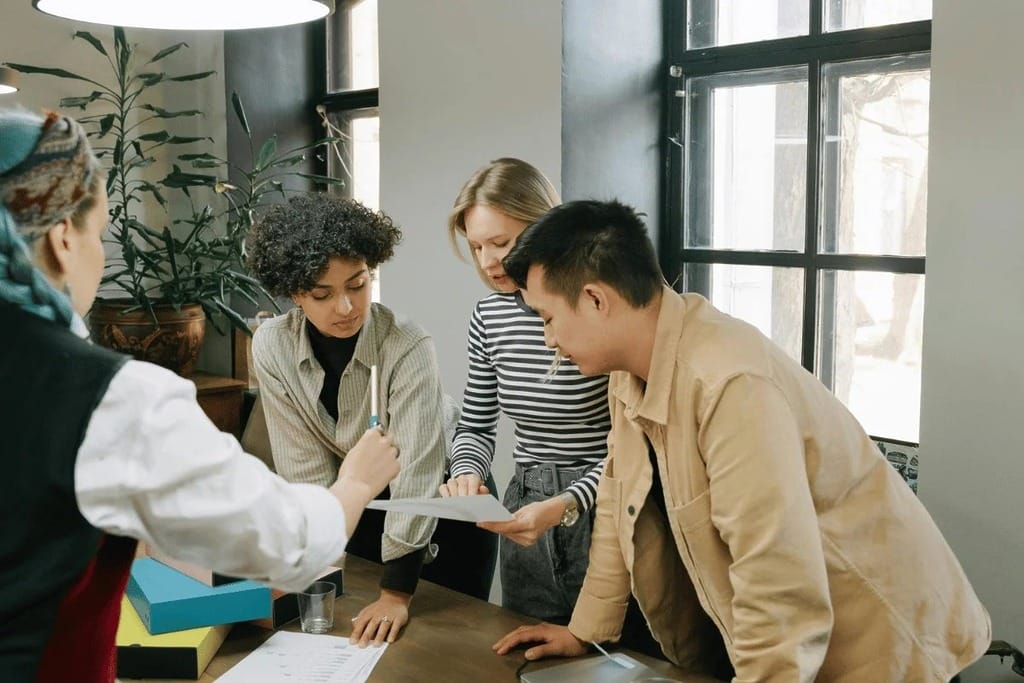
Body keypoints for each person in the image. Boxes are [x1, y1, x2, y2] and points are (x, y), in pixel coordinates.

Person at [492, 199, 991, 682]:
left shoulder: (727, 383)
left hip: (888, 641)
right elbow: (618, 502)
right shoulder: (629, 373)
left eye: (547, 318)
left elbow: (777, 585)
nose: (548, 340)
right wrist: (584, 632)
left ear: (596, 299)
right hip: (806, 644)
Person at [0, 111, 398, 683]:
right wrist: (356, 483)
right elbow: (282, 543)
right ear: (64, 238)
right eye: (100, 232)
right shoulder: (102, 398)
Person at [248, 193, 485, 647]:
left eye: (357, 285)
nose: (346, 307)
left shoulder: (407, 344)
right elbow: (303, 468)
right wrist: (318, 558)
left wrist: (396, 594)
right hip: (361, 502)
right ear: (295, 293)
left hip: (436, 504)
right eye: (323, 294)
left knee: (443, 650)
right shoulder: (273, 346)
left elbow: (417, 470)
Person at [439, 158, 611, 625]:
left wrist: (568, 502)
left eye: (501, 243)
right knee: (526, 645)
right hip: (525, 511)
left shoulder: (598, 304)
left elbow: (635, 447)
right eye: (476, 246)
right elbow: (476, 426)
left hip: (606, 507)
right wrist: (467, 473)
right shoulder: (488, 317)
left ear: (544, 226)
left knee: (614, 652)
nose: (487, 261)